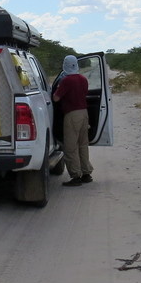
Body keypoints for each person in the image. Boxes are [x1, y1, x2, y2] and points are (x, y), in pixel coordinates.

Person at [52, 54, 93, 187]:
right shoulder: (83, 79)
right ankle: (86, 173)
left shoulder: (66, 81)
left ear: (65, 64)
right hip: (84, 113)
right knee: (83, 145)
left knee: (70, 147)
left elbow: (56, 98)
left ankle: (75, 176)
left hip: (72, 115)